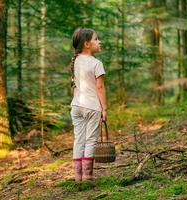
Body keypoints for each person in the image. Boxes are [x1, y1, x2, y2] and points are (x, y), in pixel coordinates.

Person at [70, 28, 107, 181]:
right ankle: (88, 177)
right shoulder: (96, 63)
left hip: (76, 106)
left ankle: (78, 178)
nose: (99, 42)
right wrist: (104, 108)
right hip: (92, 106)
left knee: (79, 139)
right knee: (91, 140)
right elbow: (99, 88)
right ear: (87, 44)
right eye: (96, 39)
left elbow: (73, 85)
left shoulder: (75, 60)